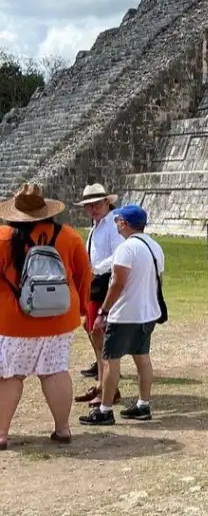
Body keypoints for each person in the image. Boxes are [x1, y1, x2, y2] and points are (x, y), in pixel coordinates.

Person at [0, 184, 92, 449]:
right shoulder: (68, 236)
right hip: (59, 317)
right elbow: (83, 276)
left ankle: (2, 434)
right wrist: (84, 308)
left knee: (10, 375)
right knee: (55, 371)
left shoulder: (3, 237)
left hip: (13, 320)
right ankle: (62, 429)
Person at [80, 205, 165, 426]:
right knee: (142, 359)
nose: (116, 224)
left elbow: (117, 283)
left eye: (118, 221)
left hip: (125, 314)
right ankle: (143, 404)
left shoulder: (126, 248)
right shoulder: (155, 246)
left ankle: (105, 409)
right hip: (147, 313)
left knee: (109, 361)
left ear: (125, 224)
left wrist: (104, 311)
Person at [73, 183, 123, 407]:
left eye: (97, 204)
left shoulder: (112, 225)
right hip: (94, 283)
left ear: (107, 203)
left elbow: (118, 256)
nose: (93, 209)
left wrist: (94, 270)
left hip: (104, 283)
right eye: (89, 206)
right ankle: (104, 384)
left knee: (99, 333)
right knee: (93, 331)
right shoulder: (96, 226)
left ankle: (107, 387)